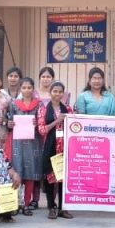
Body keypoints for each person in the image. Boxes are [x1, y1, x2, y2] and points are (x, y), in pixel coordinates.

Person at [8, 77, 44, 215]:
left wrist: (38, 122)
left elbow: (43, 121)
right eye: (24, 88)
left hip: (34, 142)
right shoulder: (14, 104)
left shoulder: (39, 104)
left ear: (33, 89)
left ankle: (27, 204)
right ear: (20, 89)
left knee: (30, 172)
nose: (27, 90)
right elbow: (9, 120)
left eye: (29, 87)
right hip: (18, 142)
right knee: (18, 170)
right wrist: (10, 123)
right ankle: (16, 203)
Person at [38, 81, 73, 218]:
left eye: (60, 92)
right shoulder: (43, 109)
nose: (57, 94)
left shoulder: (68, 109)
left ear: (63, 93)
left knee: (63, 178)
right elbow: (42, 130)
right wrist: (57, 121)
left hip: (65, 146)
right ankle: (51, 207)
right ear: (50, 92)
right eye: (55, 91)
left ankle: (63, 208)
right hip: (50, 146)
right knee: (50, 178)